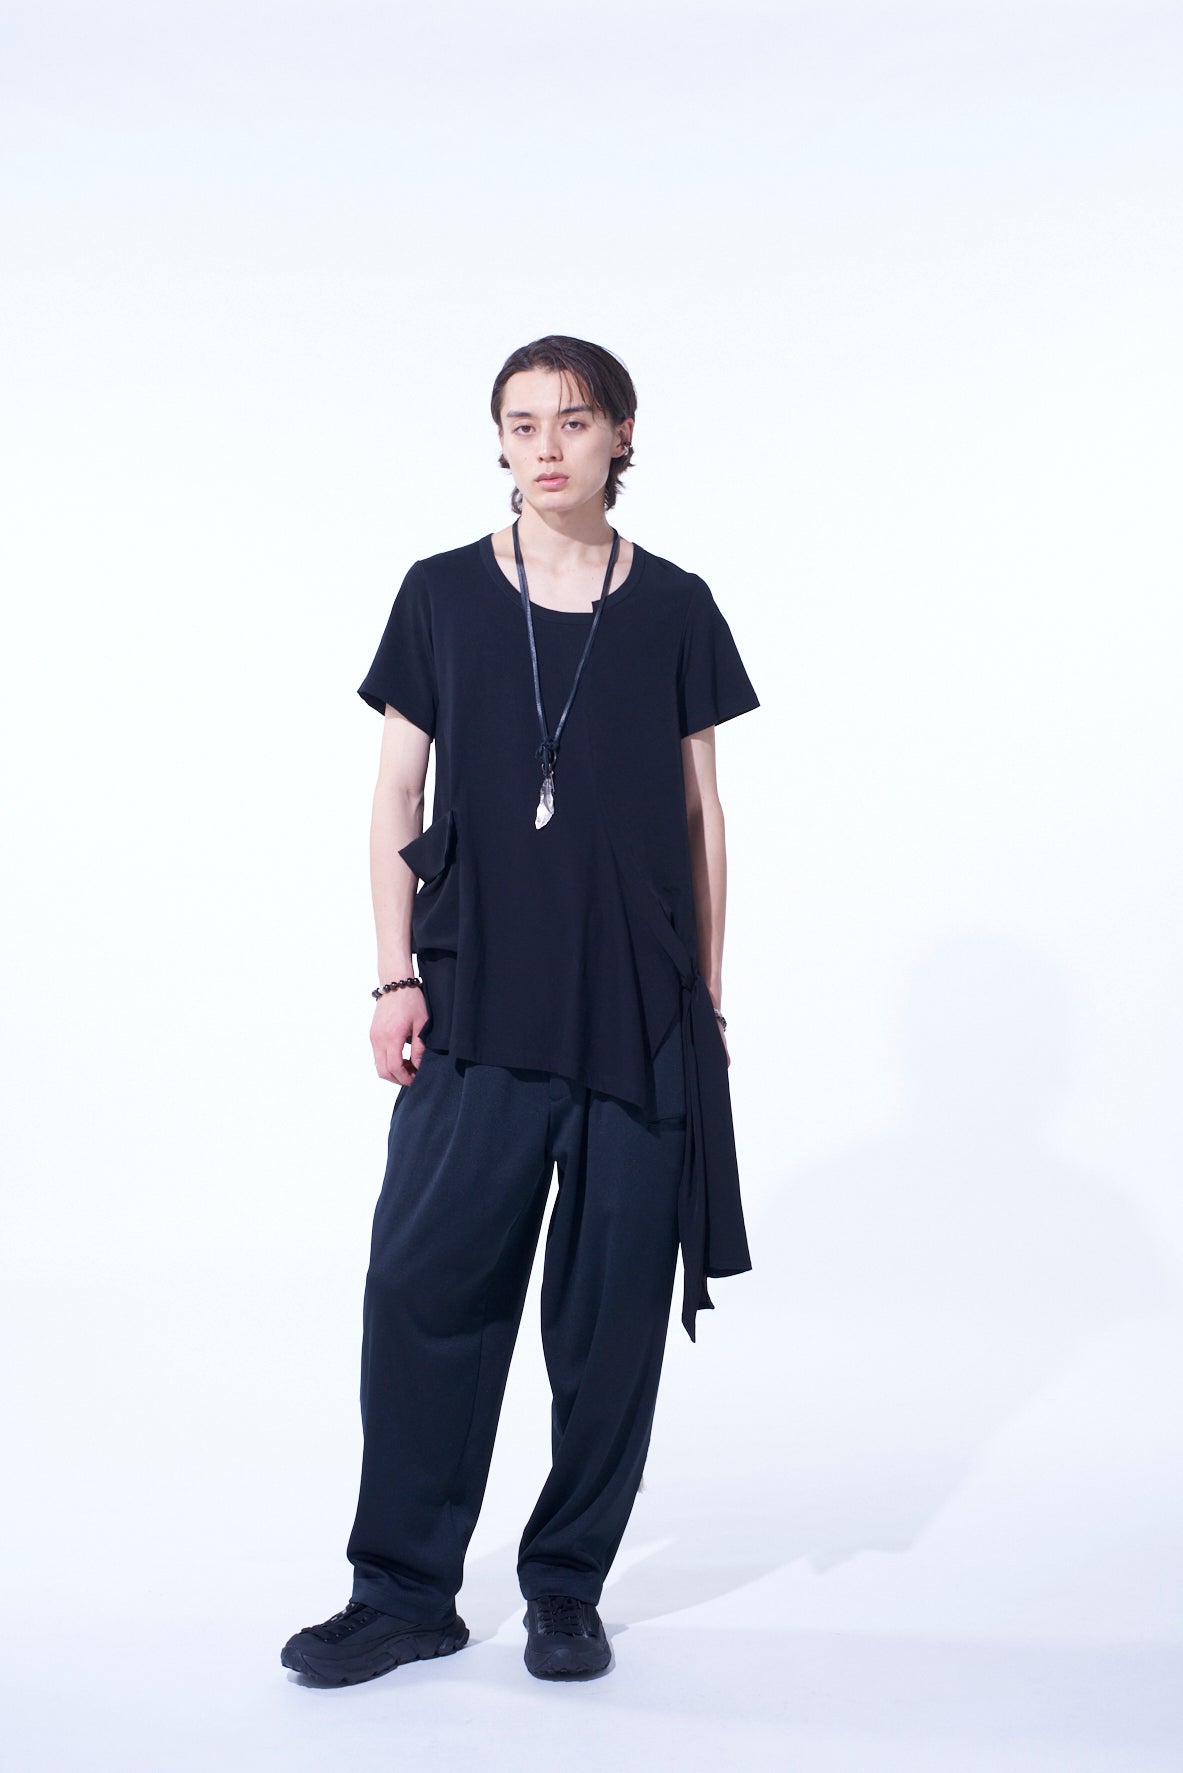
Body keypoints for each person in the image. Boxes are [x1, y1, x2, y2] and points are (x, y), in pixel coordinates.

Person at [281, 334, 761, 1688]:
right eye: (522, 421)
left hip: (635, 1011)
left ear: (622, 436)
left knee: (608, 1321)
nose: (547, 445)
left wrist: (705, 1001)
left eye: (575, 419)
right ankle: (401, 1594)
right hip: (478, 994)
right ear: (498, 441)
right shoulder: (440, 594)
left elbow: (701, 810)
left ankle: (565, 1590)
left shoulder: (676, 606)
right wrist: (395, 974)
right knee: (424, 1288)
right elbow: (395, 792)